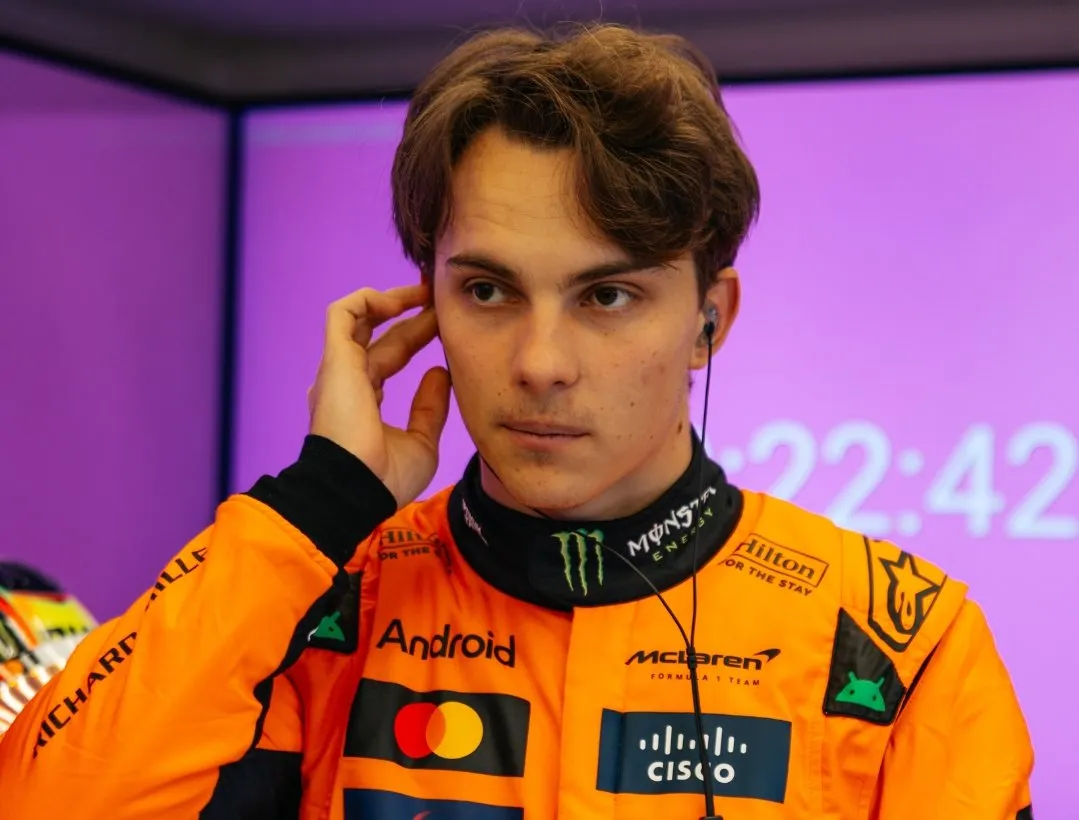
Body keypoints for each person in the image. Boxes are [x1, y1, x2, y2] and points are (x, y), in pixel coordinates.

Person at [0, 23, 1034, 820]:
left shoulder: (900, 644)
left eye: (606, 295)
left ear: (708, 319)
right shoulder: (314, 606)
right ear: (427, 304)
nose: (539, 364)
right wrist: (318, 503)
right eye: (489, 291)